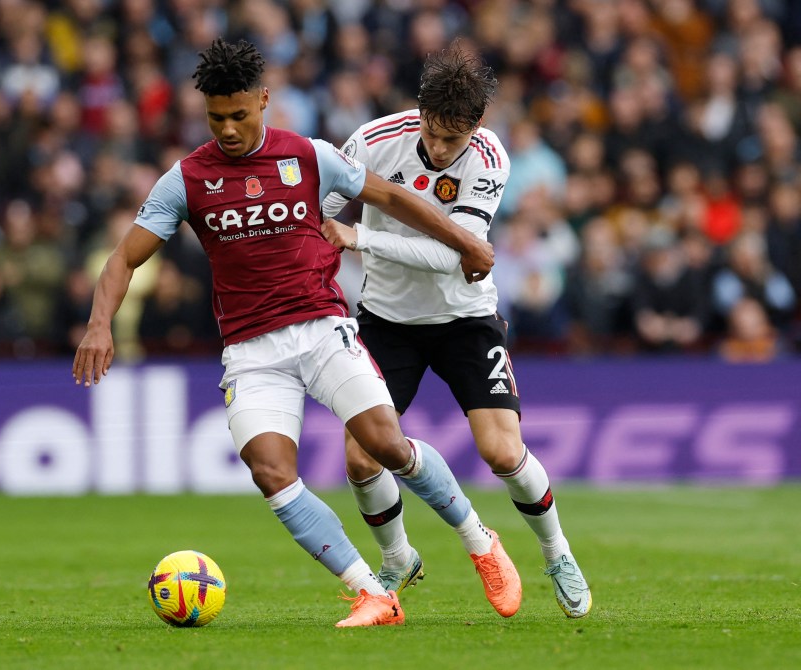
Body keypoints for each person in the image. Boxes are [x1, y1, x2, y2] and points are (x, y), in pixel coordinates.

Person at [72, 38, 518, 627]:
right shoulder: (185, 180)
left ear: (263, 100)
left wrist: (465, 240)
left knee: (385, 445)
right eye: (215, 118)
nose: (228, 129)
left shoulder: (309, 156)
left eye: (238, 114)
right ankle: (373, 594)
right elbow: (123, 258)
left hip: (322, 327)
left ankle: (479, 540)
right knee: (271, 473)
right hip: (251, 351)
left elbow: (391, 196)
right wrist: (99, 324)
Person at [321, 44, 593, 618]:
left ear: (478, 127)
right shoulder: (371, 140)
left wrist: (359, 238)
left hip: (466, 318)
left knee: (501, 451)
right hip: (387, 320)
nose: (443, 150)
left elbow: (455, 256)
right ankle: (398, 559)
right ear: (418, 112)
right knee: (361, 457)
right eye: (435, 135)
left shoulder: (489, 157)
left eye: (455, 139)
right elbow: (319, 205)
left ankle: (557, 551)